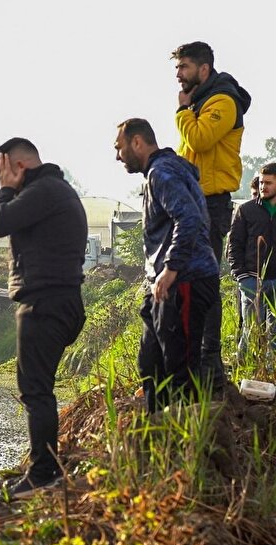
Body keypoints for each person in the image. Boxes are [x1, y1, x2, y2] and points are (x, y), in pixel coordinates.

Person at [0, 137, 87, 499]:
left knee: (36, 391)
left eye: (2, 169)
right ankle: (43, 466)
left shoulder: (42, 191)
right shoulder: (53, 190)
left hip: (46, 302)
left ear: (18, 166)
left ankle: (43, 474)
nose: (0, 178)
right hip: (58, 300)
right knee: (38, 389)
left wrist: (4, 191)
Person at [115, 118, 221, 413]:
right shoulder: (161, 172)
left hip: (186, 278)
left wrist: (171, 267)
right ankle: (157, 433)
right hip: (165, 283)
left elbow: (188, 218)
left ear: (137, 142)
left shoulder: (161, 173)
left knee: (180, 367)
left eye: (119, 147)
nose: (117, 156)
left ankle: (190, 443)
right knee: (150, 361)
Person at [172, 41, 251, 387]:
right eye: (177, 68)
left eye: (184, 67)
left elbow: (201, 140)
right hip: (193, 202)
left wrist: (182, 113)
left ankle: (211, 362)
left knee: (205, 283)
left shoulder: (223, 101)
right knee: (192, 283)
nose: (178, 75)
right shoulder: (200, 103)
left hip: (212, 203)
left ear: (204, 69)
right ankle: (194, 360)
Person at [227, 162, 276, 359]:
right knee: (251, 330)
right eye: (262, 182)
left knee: (274, 335)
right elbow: (233, 245)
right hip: (251, 280)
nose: (263, 186)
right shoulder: (245, 210)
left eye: (269, 183)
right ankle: (243, 373)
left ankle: (271, 376)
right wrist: (241, 276)